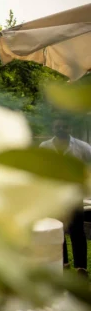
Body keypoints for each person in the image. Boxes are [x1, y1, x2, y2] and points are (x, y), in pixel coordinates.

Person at [39, 118, 91, 277]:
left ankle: (81, 267)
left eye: (64, 126)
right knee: (57, 230)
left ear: (70, 128)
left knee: (77, 232)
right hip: (53, 197)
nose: (60, 128)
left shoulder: (82, 147)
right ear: (53, 128)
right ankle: (63, 264)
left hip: (74, 196)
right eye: (57, 126)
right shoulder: (45, 147)